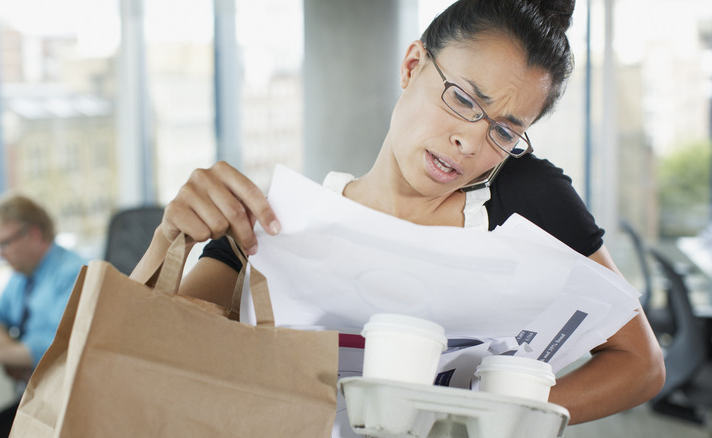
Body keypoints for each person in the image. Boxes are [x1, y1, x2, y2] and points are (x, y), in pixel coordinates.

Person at [133, 0, 665, 426]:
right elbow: (140, 359)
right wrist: (166, 239)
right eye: (462, 99)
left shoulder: (524, 199)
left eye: (504, 130)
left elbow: (639, 364)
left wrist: (494, 422)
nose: (468, 140)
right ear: (412, 66)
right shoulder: (273, 226)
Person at [0, 194, 86, 438]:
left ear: (33, 234)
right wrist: (10, 351)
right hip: (34, 394)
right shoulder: (23, 273)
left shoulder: (74, 275)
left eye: (5, 243)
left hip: (62, 407)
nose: (0, 253)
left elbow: (51, 351)